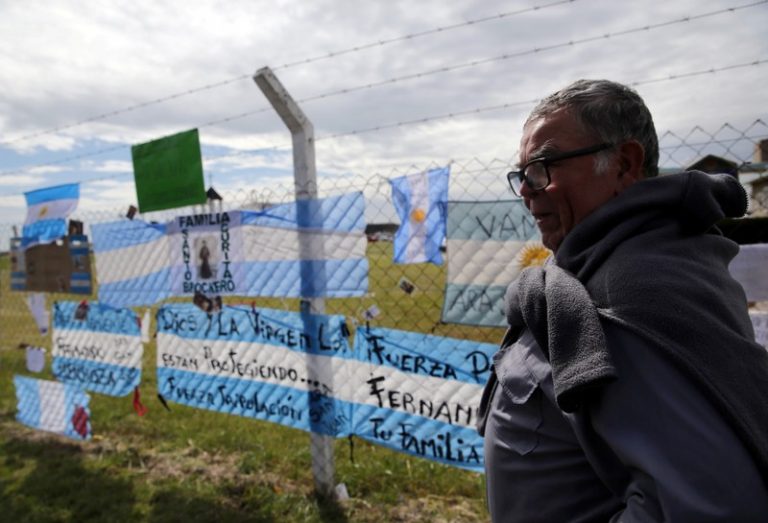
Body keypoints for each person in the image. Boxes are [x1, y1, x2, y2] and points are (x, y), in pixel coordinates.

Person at [477, 79, 768, 522]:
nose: (526, 190)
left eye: (544, 166)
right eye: (524, 174)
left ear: (624, 164)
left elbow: (713, 508)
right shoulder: (642, 260)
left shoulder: (627, 300)